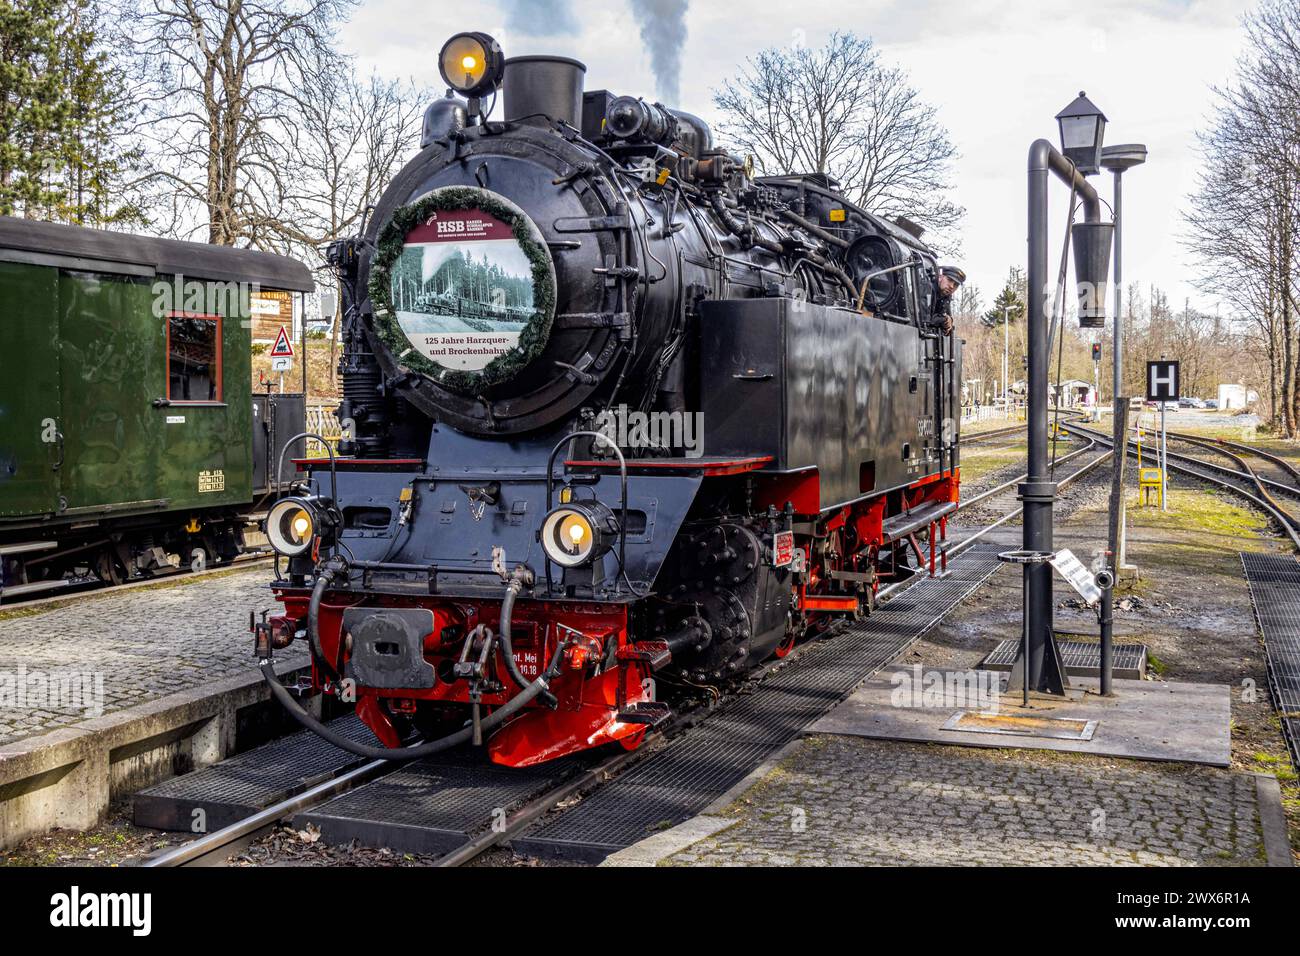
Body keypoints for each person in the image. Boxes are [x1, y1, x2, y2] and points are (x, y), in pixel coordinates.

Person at [931, 265, 966, 335]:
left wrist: (949, 320)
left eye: (956, 284)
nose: (951, 286)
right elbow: (924, 320)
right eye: (949, 280)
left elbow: (948, 320)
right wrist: (944, 319)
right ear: (940, 277)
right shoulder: (928, 290)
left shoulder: (946, 297)